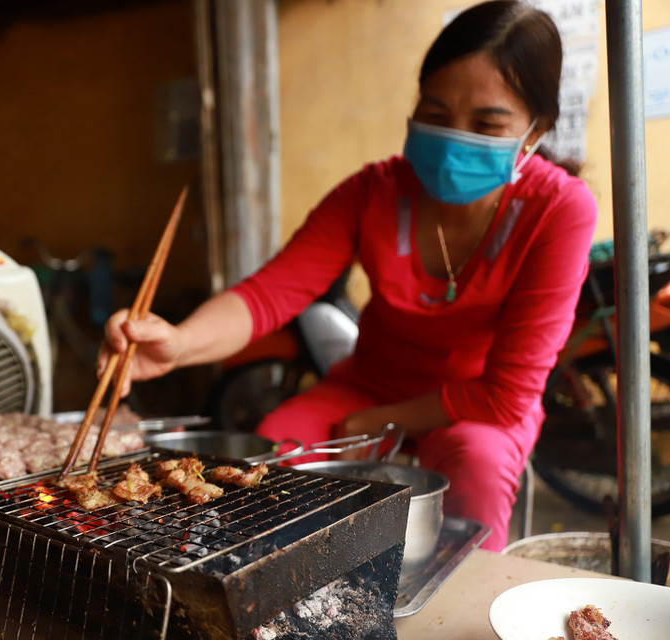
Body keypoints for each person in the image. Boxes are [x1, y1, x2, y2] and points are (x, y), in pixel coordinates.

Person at [98, 0, 597, 552]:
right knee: (273, 452)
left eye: (486, 124)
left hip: (478, 405)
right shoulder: (372, 192)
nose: (455, 137)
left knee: (476, 464)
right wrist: (181, 342)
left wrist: (383, 421)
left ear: (535, 130)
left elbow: (506, 395)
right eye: (434, 115)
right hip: (369, 382)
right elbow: (270, 294)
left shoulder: (560, 211)